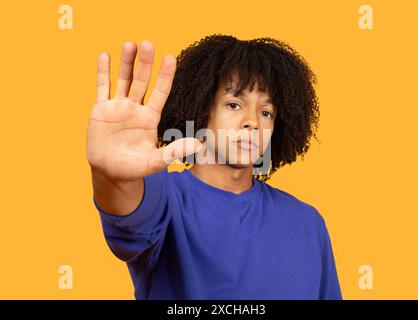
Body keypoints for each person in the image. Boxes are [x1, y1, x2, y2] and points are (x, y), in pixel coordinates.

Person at [86, 34, 343, 299]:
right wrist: (111, 175)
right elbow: (127, 213)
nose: (253, 122)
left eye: (266, 113)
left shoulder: (307, 222)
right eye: (234, 104)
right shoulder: (164, 198)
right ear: (202, 111)